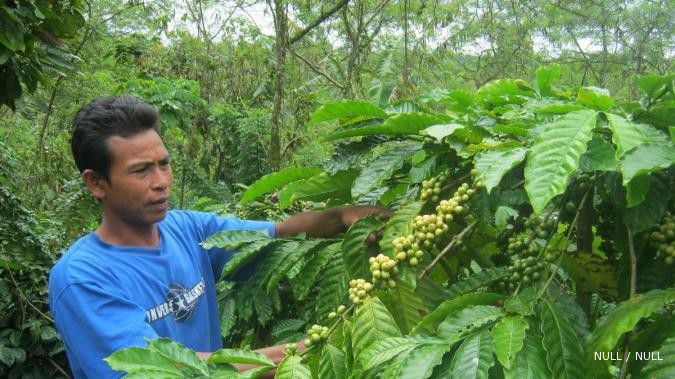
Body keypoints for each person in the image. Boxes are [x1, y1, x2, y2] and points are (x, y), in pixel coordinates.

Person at [48, 96, 390, 378]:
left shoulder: (188, 229)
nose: (161, 181)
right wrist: (306, 349)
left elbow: (279, 235)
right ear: (96, 182)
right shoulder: (82, 278)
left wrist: (343, 215)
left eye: (164, 164)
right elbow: (165, 370)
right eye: (141, 170)